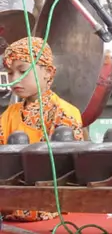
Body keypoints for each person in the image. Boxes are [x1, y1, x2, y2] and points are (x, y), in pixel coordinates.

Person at [0, 37, 83, 222]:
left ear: (48, 72)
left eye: (22, 70)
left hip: (50, 200)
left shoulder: (65, 112)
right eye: (10, 72)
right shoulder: (9, 113)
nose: (15, 79)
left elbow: (65, 172)